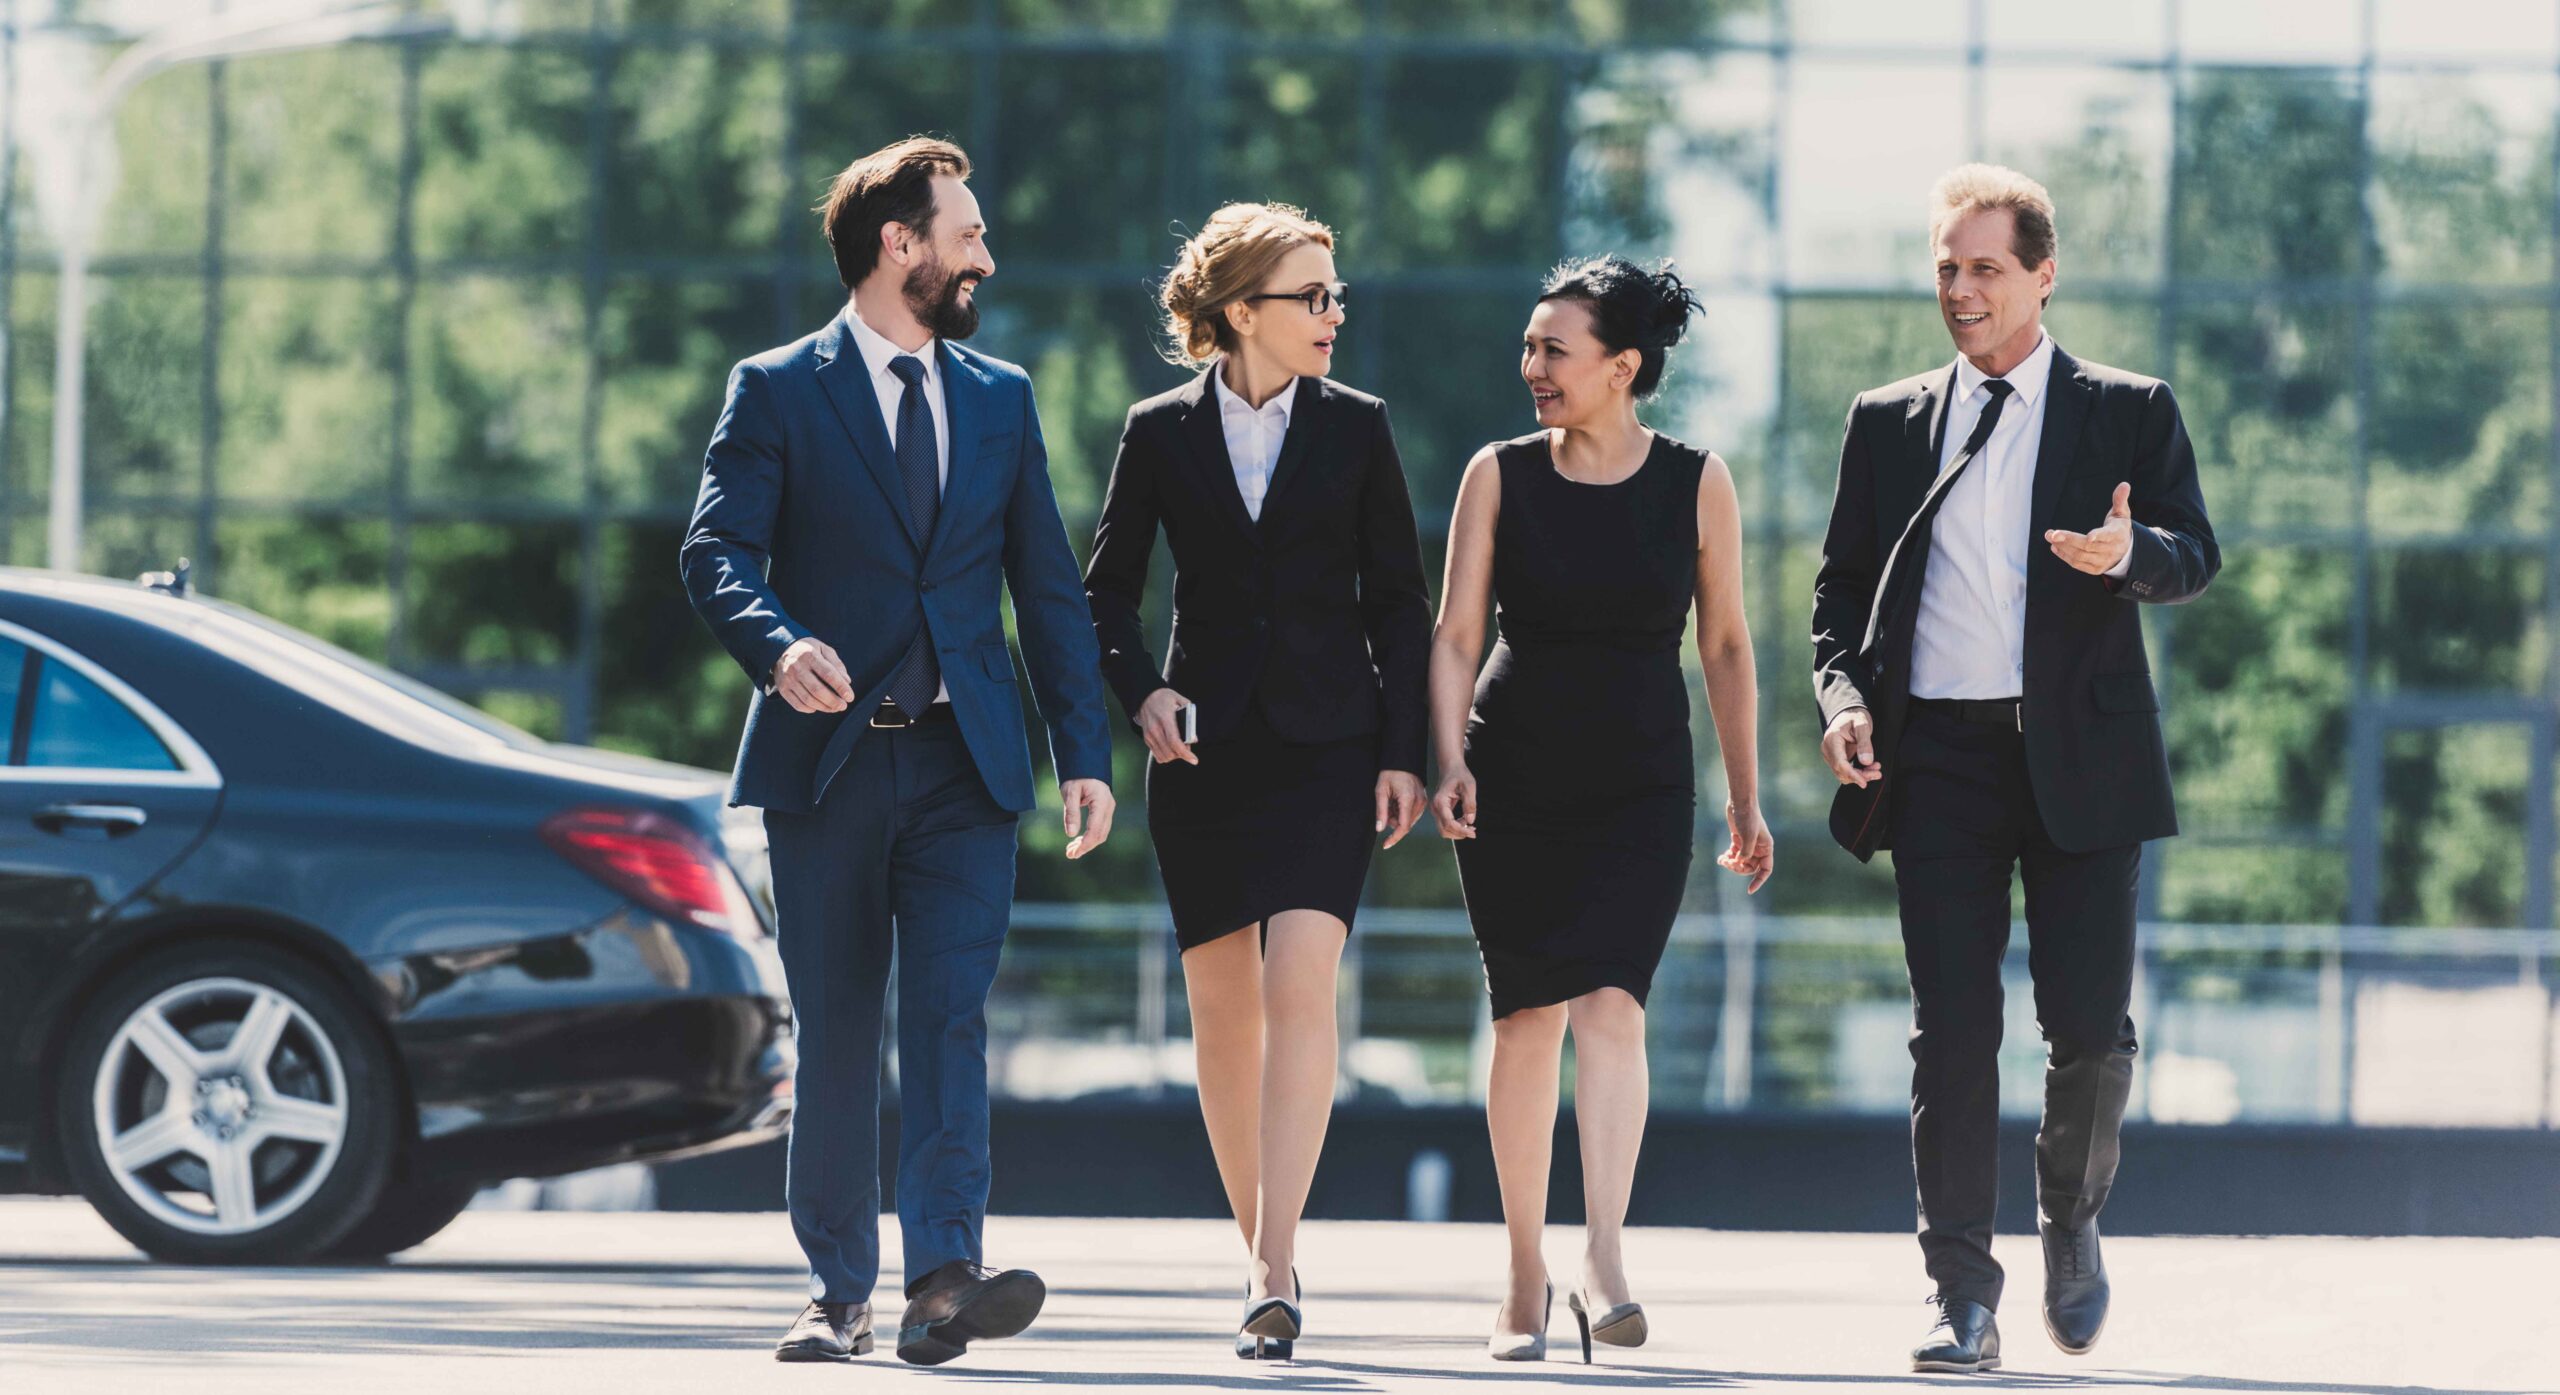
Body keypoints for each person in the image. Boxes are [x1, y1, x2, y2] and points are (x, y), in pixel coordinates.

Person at [678, 135, 1118, 1368]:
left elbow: (1048, 586)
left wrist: (1081, 750)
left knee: (948, 1019)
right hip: (826, 767)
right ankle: (837, 1293)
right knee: (835, 1029)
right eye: (966, 232)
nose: (986, 252)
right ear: (899, 245)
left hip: (965, 765)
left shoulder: (1000, 397)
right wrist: (774, 646)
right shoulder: (774, 388)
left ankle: (941, 1277)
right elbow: (714, 553)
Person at [1809, 164, 2218, 1373]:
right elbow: (1837, 592)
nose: (1961, 289)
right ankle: (1959, 1294)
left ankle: (2071, 1217)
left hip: (2083, 758)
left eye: (1986, 268)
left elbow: (2194, 551)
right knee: (1953, 1031)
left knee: (2088, 1030)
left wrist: (2125, 551)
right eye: (1945, 267)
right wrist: (1840, 701)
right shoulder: (1886, 420)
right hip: (1936, 757)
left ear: (2043, 275)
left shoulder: (2126, 406)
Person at [1083, 202, 1432, 1361]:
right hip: (1204, 755)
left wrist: (1403, 753)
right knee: (1224, 1019)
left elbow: (1398, 604)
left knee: (1300, 989)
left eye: (1337, 296)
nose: (1335, 315)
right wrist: (1140, 693)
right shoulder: (1157, 430)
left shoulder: (1360, 428)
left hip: (1331, 748)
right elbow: (1105, 594)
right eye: (1312, 297)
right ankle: (1261, 1261)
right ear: (1242, 313)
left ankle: (1274, 1265)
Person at [1428, 256, 1772, 1365]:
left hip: (1640, 781)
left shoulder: (1696, 480)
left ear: (1622, 368)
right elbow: (1452, 638)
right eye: (1528, 347)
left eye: (1553, 350)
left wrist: (1746, 791)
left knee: (1613, 1007)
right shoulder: (1498, 473)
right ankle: (1524, 1275)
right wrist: (1445, 762)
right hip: (1512, 768)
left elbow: (1724, 643)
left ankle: (1604, 1258)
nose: (1531, 367)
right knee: (1526, 1015)